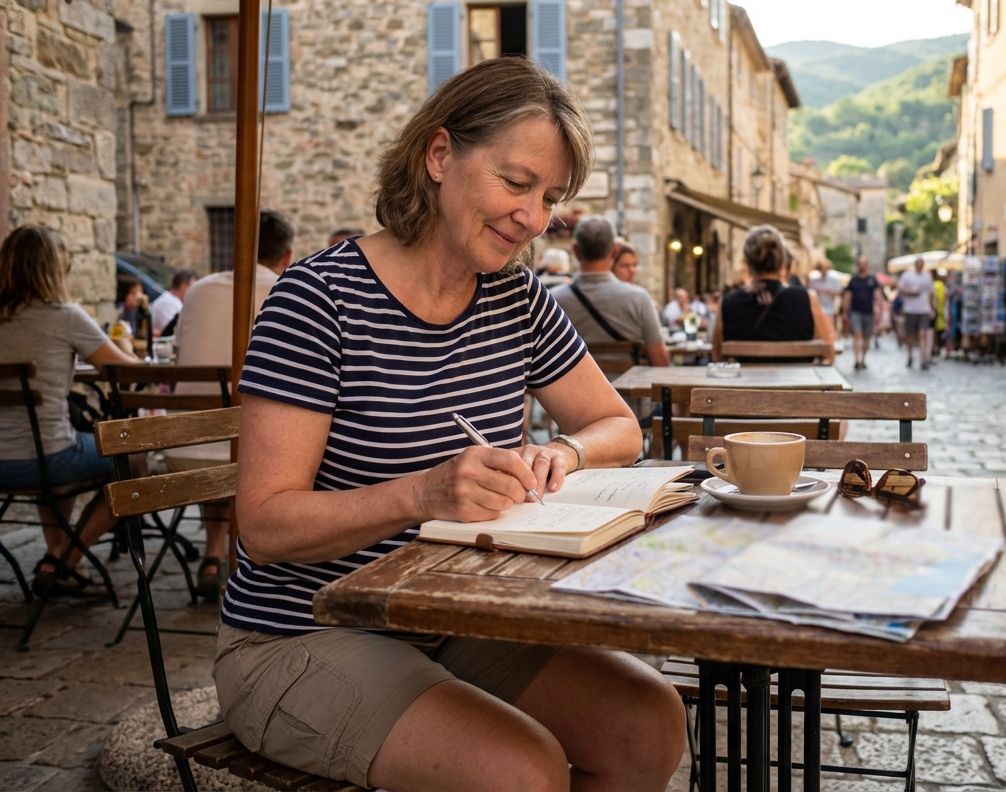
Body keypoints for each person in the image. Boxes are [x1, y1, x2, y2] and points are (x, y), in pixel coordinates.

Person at [216, 57, 685, 791]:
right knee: (522, 772)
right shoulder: (318, 299)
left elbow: (616, 426)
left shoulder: (516, 298)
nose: (533, 218)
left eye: (550, 197)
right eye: (516, 182)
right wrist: (423, 494)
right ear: (439, 155)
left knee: (649, 723)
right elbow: (265, 526)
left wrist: (565, 451)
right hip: (300, 633)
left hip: (453, 617)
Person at [0, 226, 139, 596]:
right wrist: (126, 343)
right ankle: (66, 560)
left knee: (60, 439)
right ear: (54, 269)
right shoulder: (64, 316)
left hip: (5, 462)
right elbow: (125, 370)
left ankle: (57, 555)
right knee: (135, 461)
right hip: (47, 459)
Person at [164, 210, 295, 598]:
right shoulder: (291, 289)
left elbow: (177, 357)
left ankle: (214, 553)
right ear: (286, 255)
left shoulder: (197, 291)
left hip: (182, 451)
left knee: (220, 433)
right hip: (247, 460)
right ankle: (257, 569)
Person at [552, 218, 670, 367]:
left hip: (572, 383)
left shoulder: (553, 300)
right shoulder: (639, 299)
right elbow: (660, 361)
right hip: (629, 382)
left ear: (575, 251)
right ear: (615, 250)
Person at [713, 225, 835, 361]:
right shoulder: (807, 299)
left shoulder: (727, 303)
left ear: (747, 263)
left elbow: (717, 357)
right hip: (797, 375)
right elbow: (828, 352)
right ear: (783, 261)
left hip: (746, 375)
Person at [843, 256, 884, 370]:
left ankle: (863, 359)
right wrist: (845, 312)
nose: (862, 266)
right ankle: (856, 360)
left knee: (867, 336)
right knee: (857, 334)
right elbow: (847, 296)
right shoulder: (853, 280)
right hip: (855, 311)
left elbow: (878, 296)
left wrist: (880, 310)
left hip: (868, 312)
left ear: (867, 265)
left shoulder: (872, 280)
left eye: (864, 264)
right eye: (860, 264)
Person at [898, 257, 934, 369]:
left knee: (923, 333)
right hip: (910, 309)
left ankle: (923, 359)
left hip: (923, 309)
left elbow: (929, 293)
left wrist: (931, 308)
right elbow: (901, 288)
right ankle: (910, 355)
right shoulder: (907, 275)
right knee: (910, 335)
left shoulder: (927, 277)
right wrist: (909, 292)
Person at [149, 270, 196, 336]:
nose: (193, 291)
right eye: (192, 286)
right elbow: (176, 331)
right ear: (184, 285)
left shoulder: (174, 301)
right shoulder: (166, 302)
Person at [809, 260, 843, 334]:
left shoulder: (834, 280)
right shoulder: (815, 281)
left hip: (829, 309)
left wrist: (827, 291)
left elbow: (839, 292)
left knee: (829, 330)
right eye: (821, 268)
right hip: (818, 308)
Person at [932, 270, 947, 357]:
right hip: (940, 312)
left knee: (935, 331)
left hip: (937, 311)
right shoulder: (939, 285)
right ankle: (936, 347)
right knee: (937, 331)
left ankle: (935, 347)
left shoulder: (935, 284)